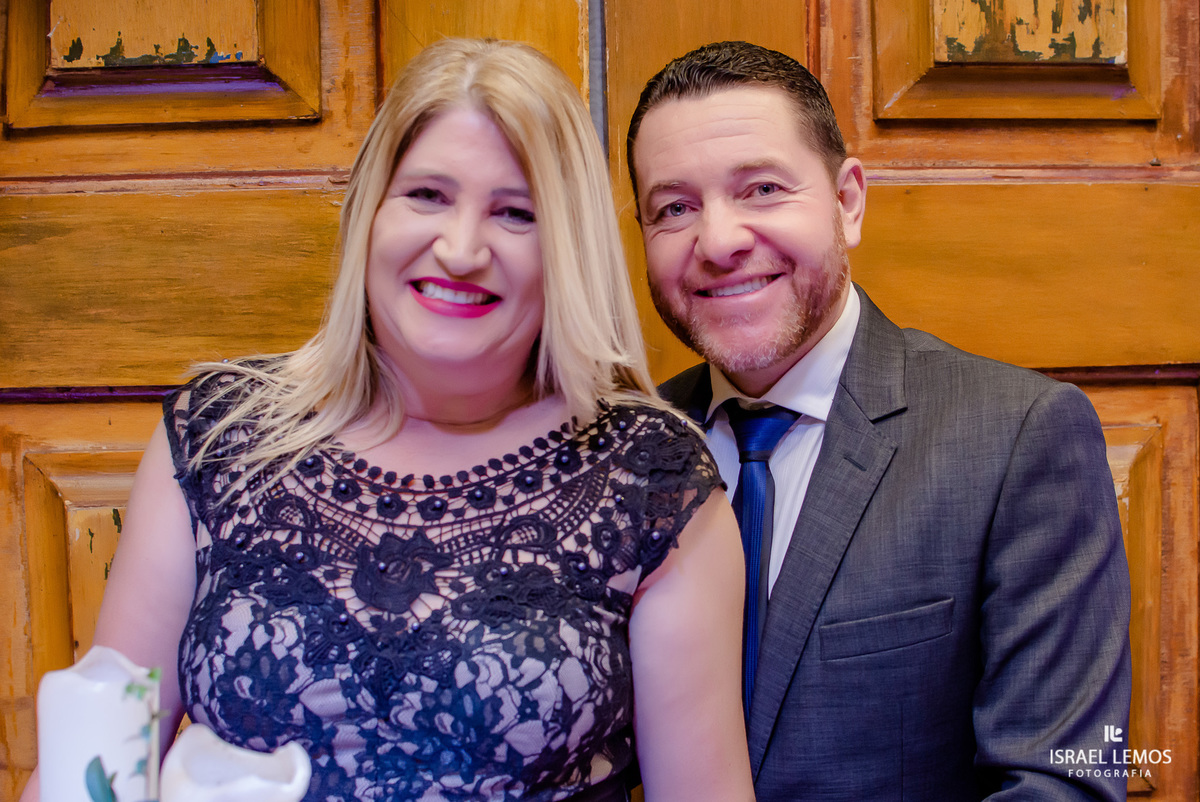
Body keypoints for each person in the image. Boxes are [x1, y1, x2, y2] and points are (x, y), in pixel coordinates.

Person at [21, 38, 753, 802]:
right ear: (370, 211)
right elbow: (94, 761)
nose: (461, 248)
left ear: (567, 247)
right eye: (428, 196)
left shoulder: (649, 475)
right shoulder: (220, 437)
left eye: (515, 212)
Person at [626, 40, 1132, 801]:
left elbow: (1064, 784)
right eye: (674, 208)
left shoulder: (1021, 437)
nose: (719, 241)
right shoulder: (622, 452)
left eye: (762, 189)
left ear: (848, 201)